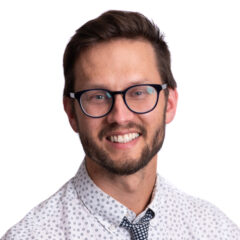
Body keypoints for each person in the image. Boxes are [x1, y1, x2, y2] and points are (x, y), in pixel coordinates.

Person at [1, 10, 240, 240]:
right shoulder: (30, 236)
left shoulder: (218, 231)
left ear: (169, 104)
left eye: (139, 92)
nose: (120, 116)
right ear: (71, 112)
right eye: (97, 96)